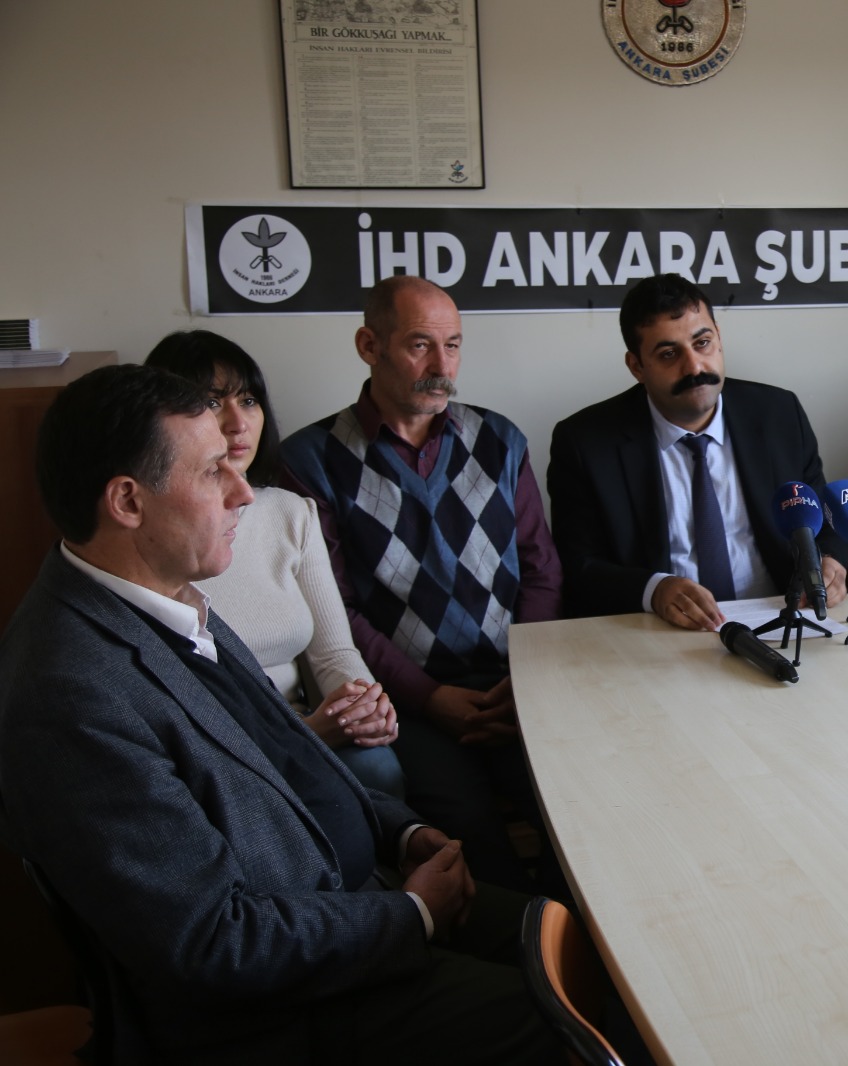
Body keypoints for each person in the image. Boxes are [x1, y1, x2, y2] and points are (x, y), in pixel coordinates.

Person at [0, 364, 555, 1064]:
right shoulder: (70, 695)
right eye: (213, 473)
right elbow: (214, 945)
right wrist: (413, 915)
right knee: (566, 1016)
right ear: (127, 501)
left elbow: (288, 760)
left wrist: (401, 831)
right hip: (282, 1007)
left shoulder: (170, 596)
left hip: (354, 900)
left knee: (576, 938)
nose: (243, 492)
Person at [280, 275, 561, 892]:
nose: (441, 366)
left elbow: (541, 569)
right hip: (408, 701)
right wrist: (431, 698)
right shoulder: (310, 460)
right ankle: (518, 944)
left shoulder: (499, 439)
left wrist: (526, 678)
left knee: (578, 806)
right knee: (469, 834)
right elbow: (336, 611)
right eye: (419, 345)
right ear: (369, 346)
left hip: (515, 683)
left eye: (453, 345)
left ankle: (576, 937)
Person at [146, 330, 404, 796]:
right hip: (223, 748)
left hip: (307, 723)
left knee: (379, 764)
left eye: (248, 400)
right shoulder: (157, 527)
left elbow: (334, 653)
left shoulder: (290, 511)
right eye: (211, 402)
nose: (237, 423)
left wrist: (364, 703)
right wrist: (303, 734)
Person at [546, 272, 847, 630]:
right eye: (669, 354)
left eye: (702, 343)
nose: (694, 367)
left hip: (781, 618)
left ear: (719, 338)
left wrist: (829, 561)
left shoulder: (779, 414)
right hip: (661, 631)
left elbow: (822, 516)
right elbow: (579, 565)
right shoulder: (585, 442)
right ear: (637, 366)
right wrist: (653, 590)